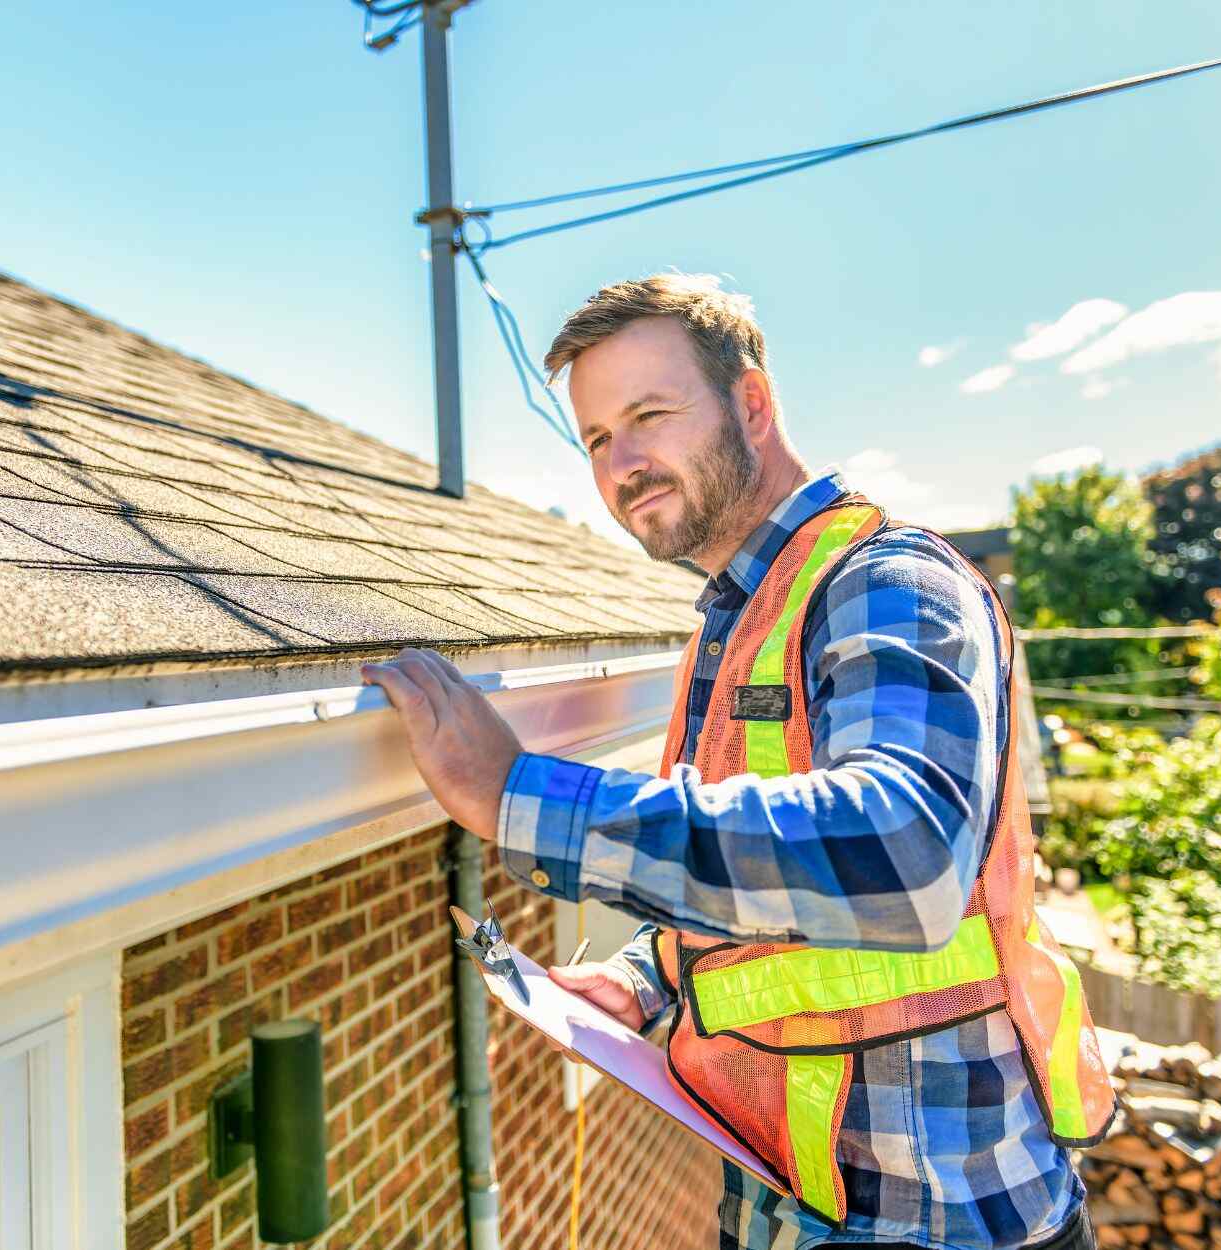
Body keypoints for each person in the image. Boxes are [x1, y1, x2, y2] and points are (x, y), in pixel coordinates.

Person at [360, 274, 1111, 1250]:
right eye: (594, 438)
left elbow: (907, 853)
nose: (621, 461)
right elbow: (774, 894)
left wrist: (516, 795)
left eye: (649, 414)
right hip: (792, 1207)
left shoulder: (883, 578)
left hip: (942, 1218)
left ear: (750, 402)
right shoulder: (735, 623)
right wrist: (645, 976)